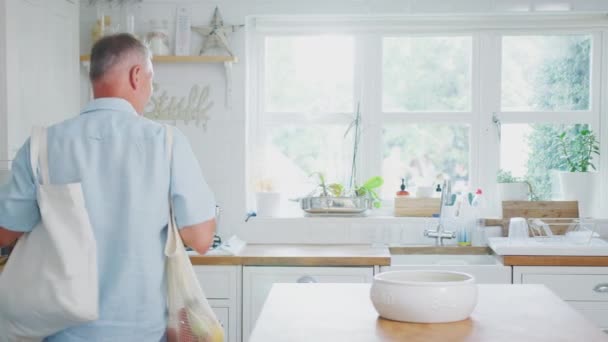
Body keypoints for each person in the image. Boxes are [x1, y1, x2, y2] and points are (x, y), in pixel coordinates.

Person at [0, 33, 217, 341]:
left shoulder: (42, 145)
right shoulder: (167, 143)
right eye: (151, 80)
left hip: (62, 330)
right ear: (137, 75)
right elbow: (202, 238)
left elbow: (5, 232)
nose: (150, 90)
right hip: (141, 332)